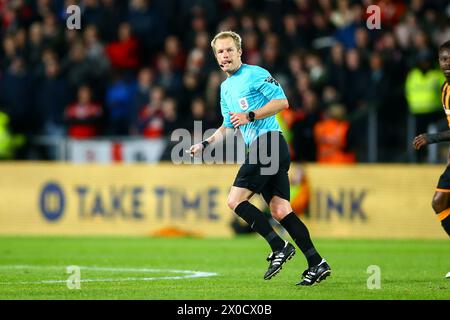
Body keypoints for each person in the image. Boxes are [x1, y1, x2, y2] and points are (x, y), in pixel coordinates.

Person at [188, 31, 330, 286]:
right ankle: (316, 262)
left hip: (270, 142)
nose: (225, 55)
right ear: (215, 57)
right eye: (220, 52)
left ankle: (278, 246)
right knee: (280, 209)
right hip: (265, 148)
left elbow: (282, 102)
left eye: (229, 50)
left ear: (240, 51)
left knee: (234, 200)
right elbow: (228, 125)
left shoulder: (255, 73)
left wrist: (251, 116)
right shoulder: (225, 88)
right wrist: (205, 143)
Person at [412, 40, 450, 239]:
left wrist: (431, 137)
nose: (447, 64)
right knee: (439, 202)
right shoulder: (445, 89)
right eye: (443, 59)